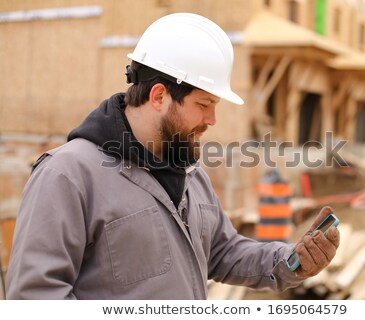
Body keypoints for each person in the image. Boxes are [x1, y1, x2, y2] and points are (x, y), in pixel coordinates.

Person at [6, 13, 339, 299]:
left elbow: (223, 252)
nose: (212, 120)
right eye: (203, 105)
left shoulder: (189, 172)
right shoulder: (68, 175)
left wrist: (290, 260)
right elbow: (35, 297)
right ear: (159, 96)